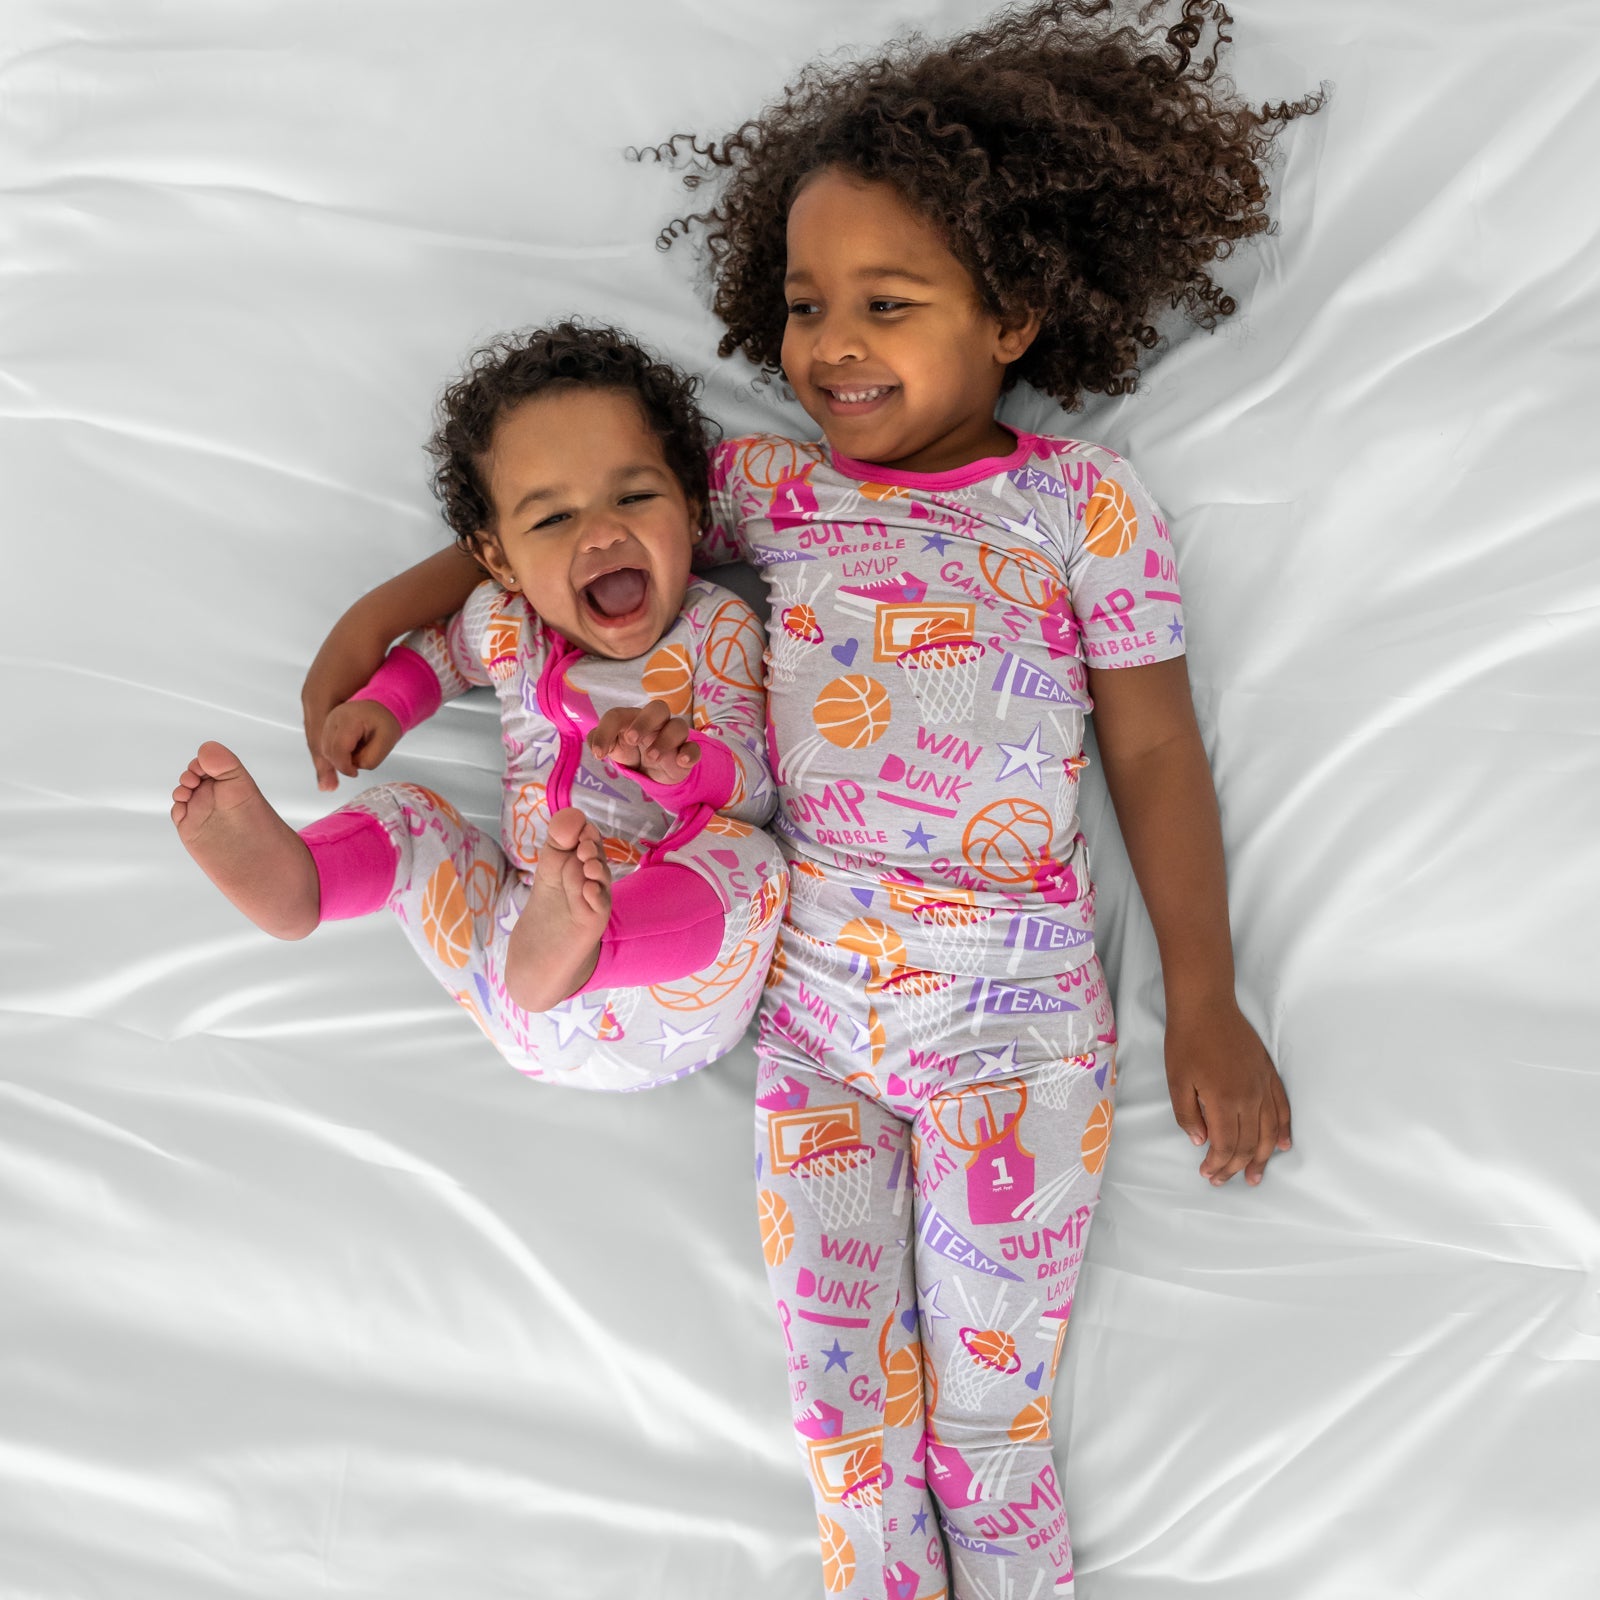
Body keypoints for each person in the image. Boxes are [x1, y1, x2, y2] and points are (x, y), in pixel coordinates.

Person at [297, 3, 1319, 1590]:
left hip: (1012, 1029)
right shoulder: (762, 493)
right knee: (850, 1441)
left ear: (1016, 316)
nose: (828, 344)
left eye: (886, 303)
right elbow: (561, 509)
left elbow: (1155, 754)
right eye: (801, 302)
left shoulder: (1084, 508)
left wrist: (1205, 997)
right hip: (816, 1024)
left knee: (985, 1434)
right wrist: (380, 638)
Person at [175, 323, 785, 1092]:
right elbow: (439, 658)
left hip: (670, 989)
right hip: (519, 960)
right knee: (405, 813)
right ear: (498, 557)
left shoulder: (715, 627)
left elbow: (756, 794)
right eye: (553, 518)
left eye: (634, 496)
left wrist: (683, 768)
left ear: (693, 511)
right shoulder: (502, 620)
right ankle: (310, 881)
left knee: (752, 863)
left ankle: (595, 944)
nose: (601, 533)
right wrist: (387, 706)